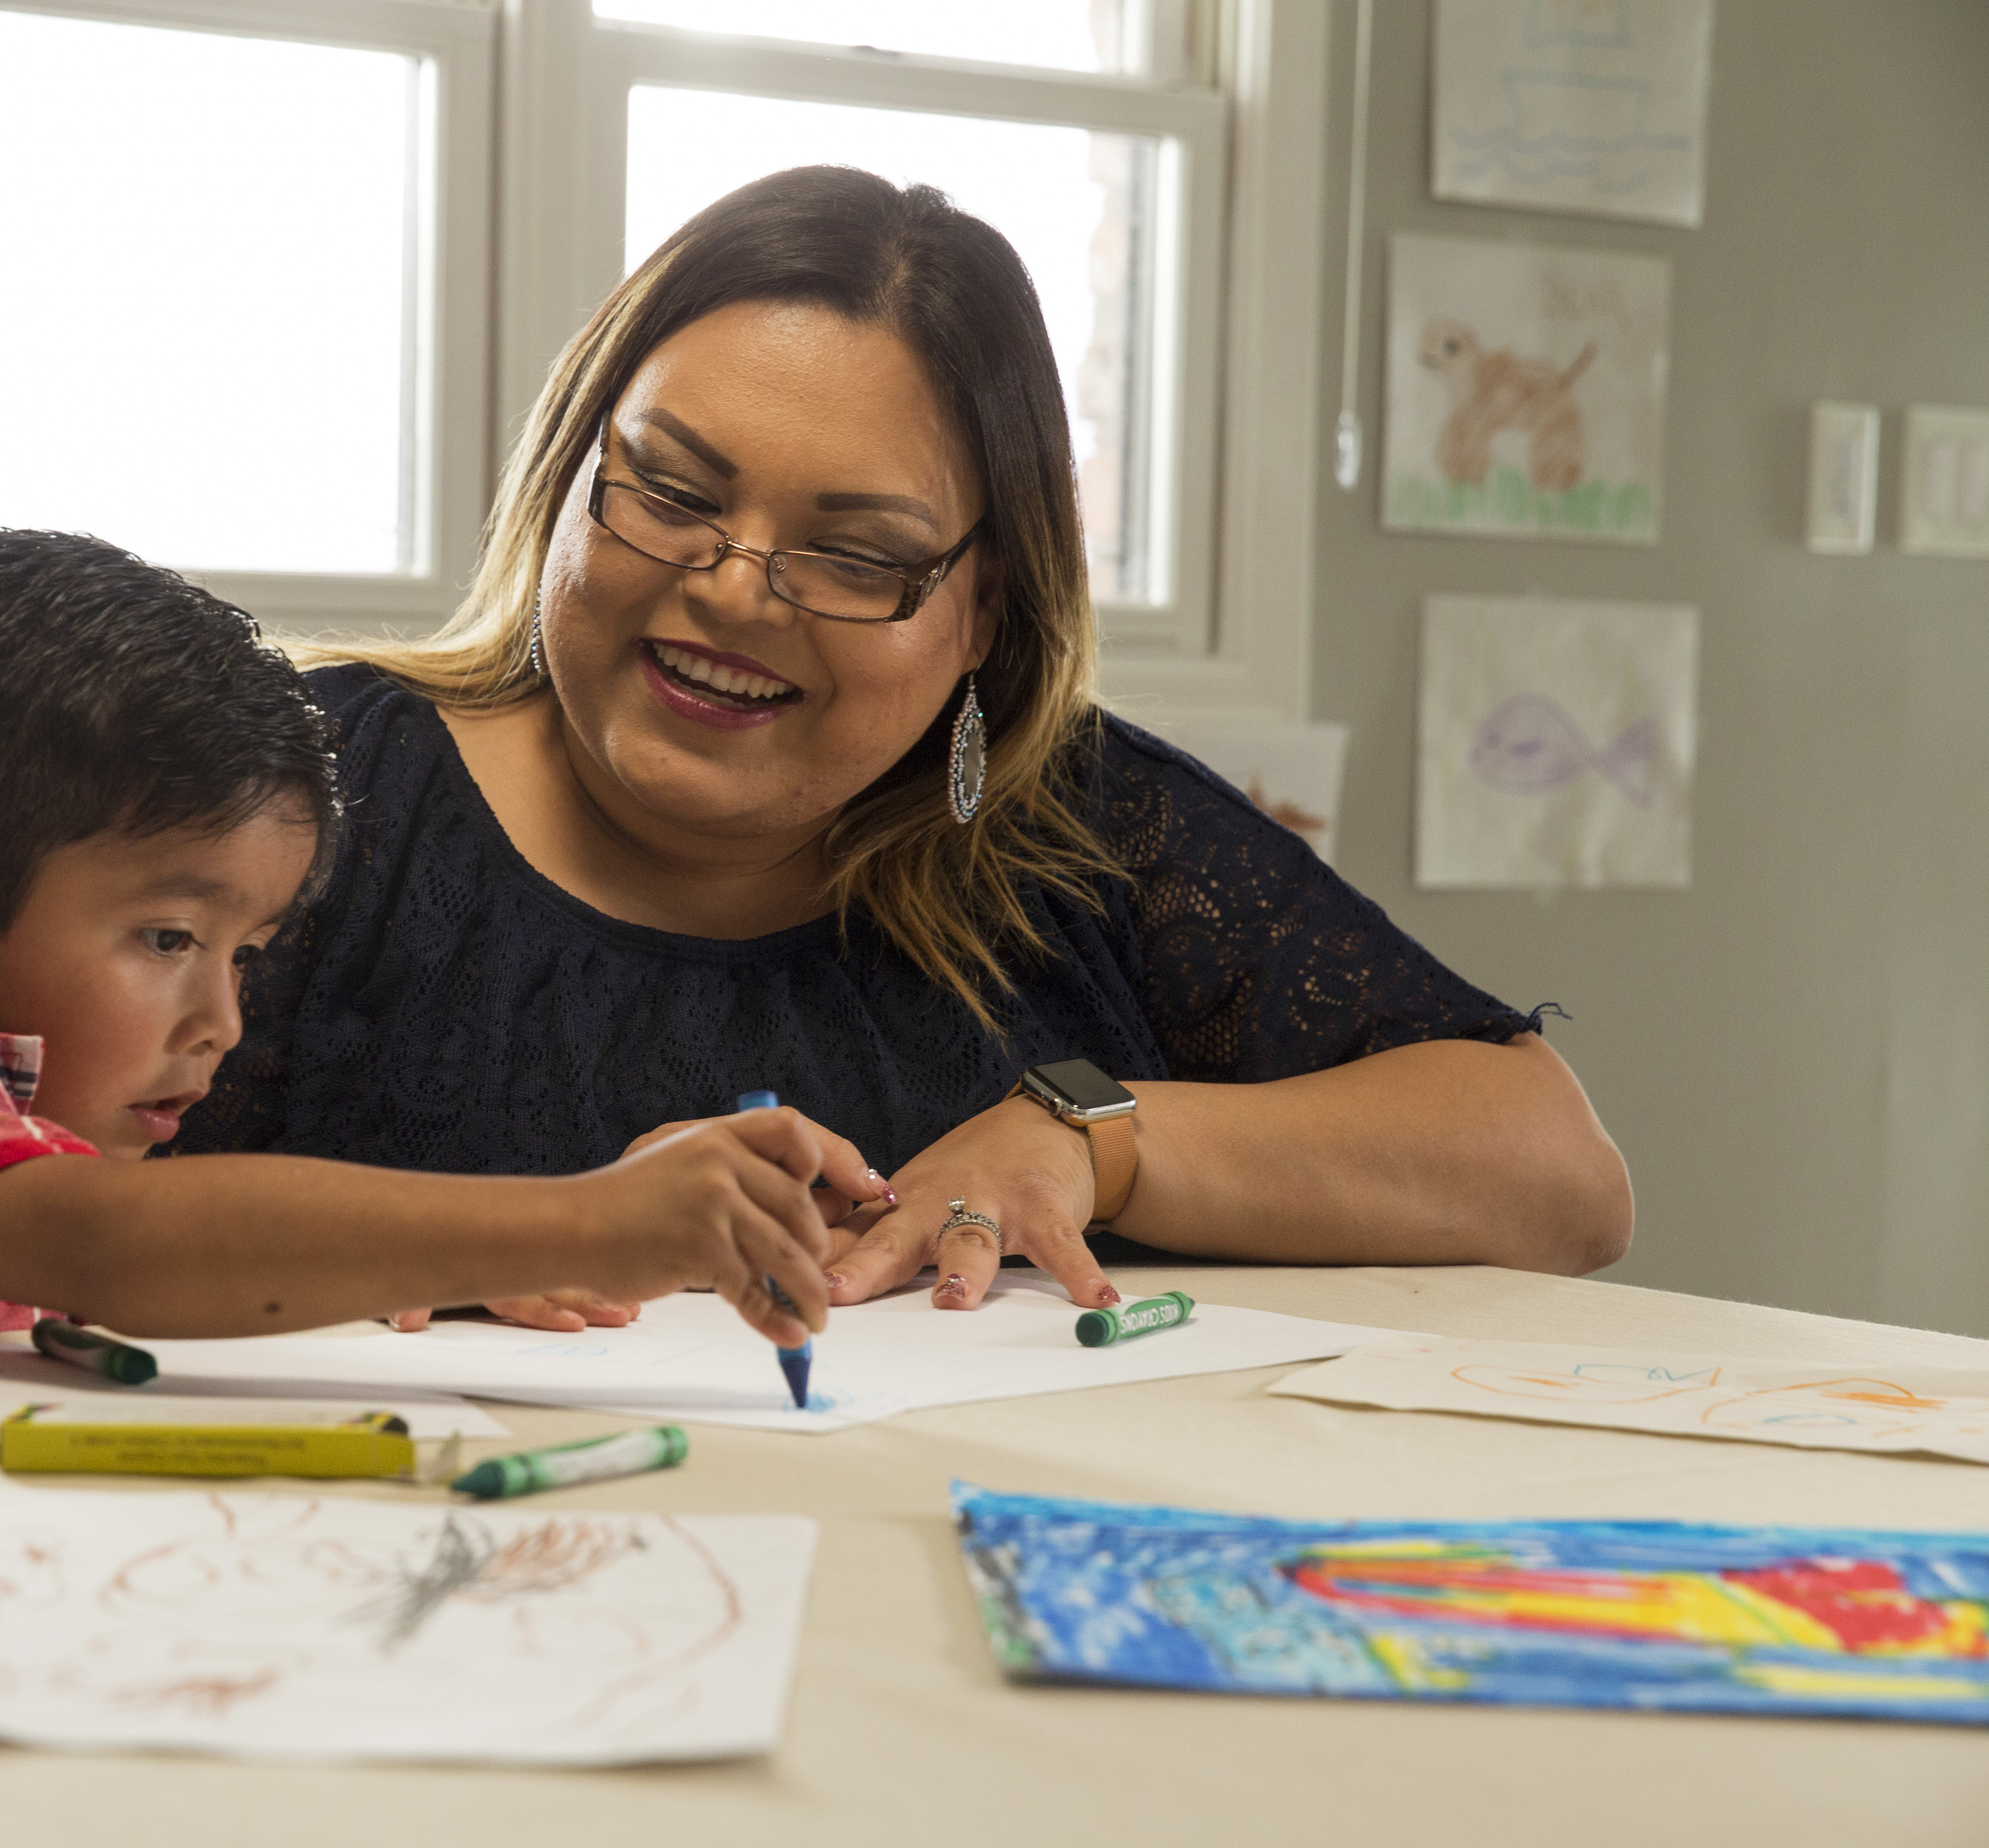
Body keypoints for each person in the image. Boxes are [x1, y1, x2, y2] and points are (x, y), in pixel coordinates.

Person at [178, 167, 1633, 1328]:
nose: (736, 589)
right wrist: (437, 1245)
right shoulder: (302, 800)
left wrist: (1087, 1136)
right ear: (571, 471)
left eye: (859, 555)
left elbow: (1558, 1177)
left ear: (989, 610)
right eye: (673, 490)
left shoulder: (1081, 831)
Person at [0, 527, 859, 1354]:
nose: (222, 1022)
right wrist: (578, 1225)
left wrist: (442, 1269)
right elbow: (110, 1250)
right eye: (169, 935)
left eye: (246, 955)